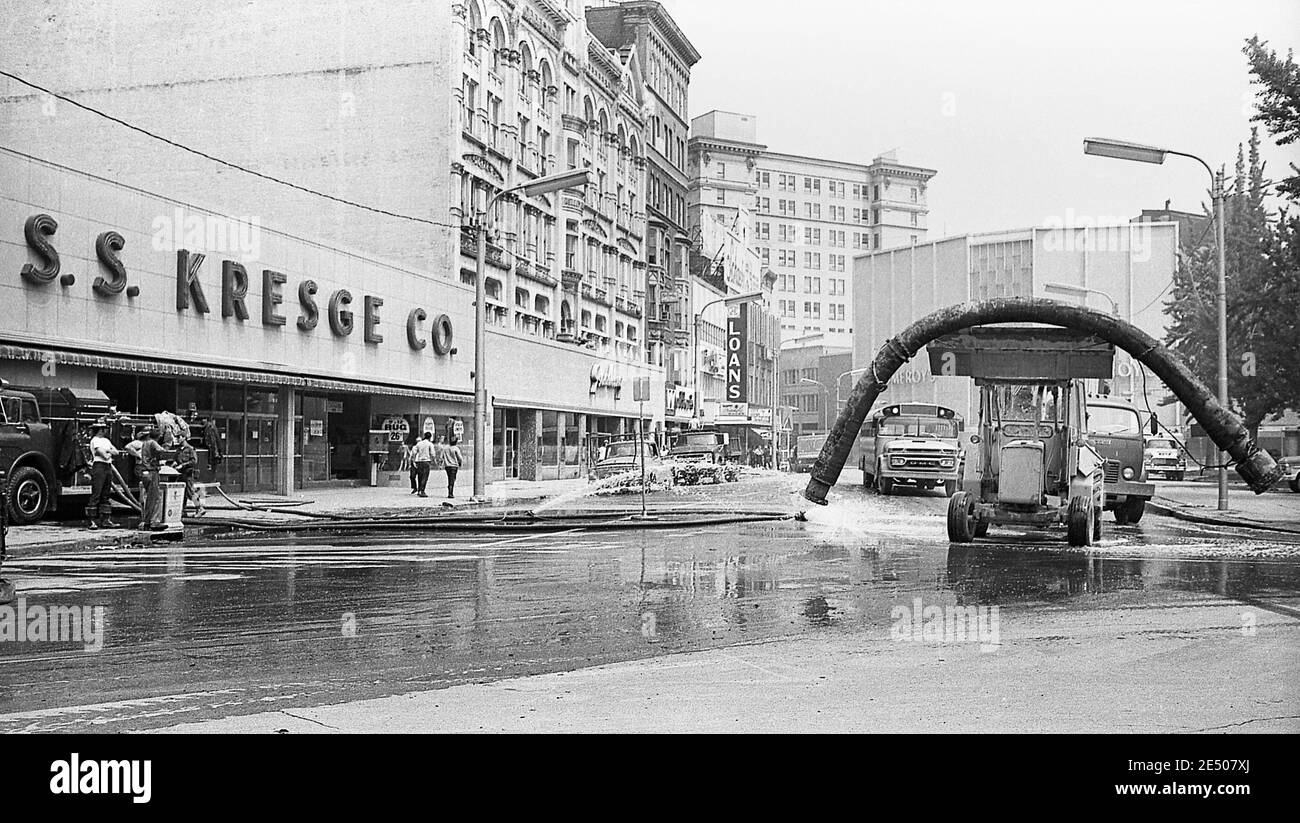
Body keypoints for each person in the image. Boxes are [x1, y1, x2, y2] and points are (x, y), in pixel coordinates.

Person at [85, 420, 121, 530]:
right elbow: (104, 455)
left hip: (107, 467)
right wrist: (109, 451)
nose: (105, 430)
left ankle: (106, 519)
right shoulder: (95, 440)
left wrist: (108, 451)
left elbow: (116, 452)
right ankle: (91, 520)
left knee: (106, 493)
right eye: (103, 429)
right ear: (100, 430)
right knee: (96, 493)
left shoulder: (106, 440)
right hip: (99, 466)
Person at [136, 429, 165, 531]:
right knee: (155, 498)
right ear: (159, 436)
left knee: (149, 498)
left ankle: (147, 521)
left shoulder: (145, 443)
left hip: (145, 472)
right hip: (152, 471)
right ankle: (154, 521)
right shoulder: (153, 443)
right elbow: (161, 451)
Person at [173, 438, 205, 517]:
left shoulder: (190, 449)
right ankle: (182, 511)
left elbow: (194, 461)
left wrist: (183, 465)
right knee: (182, 493)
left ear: (184, 438)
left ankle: (200, 508)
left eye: (179, 437)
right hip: (180, 473)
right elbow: (175, 459)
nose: (177, 439)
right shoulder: (179, 449)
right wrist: (174, 463)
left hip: (188, 473)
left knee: (190, 492)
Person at [409, 432, 436, 498]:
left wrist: (414, 460)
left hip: (419, 461)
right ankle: (422, 490)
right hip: (426, 461)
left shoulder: (419, 444)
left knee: (420, 476)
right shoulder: (430, 444)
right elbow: (432, 453)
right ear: (430, 437)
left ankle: (419, 490)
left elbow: (414, 452)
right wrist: (433, 460)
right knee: (425, 477)